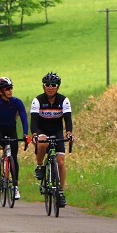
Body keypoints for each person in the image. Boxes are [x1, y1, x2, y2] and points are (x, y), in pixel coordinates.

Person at [31, 72, 74, 208]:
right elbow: (34, 121)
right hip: (42, 130)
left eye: (53, 85)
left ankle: (60, 192)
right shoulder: (37, 100)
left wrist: (69, 133)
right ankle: (39, 166)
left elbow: (68, 119)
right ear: (43, 87)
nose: (50, 87)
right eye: (47, 85)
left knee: (60, 162)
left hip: (56, 132)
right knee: (42, 142)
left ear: (58, 87)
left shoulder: (64, 100)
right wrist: (34, 134)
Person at [0, 77, 29, 200]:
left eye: (11, 88)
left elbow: (23, 118)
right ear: (0, 91)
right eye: (7, 89)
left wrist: (26, 134)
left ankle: (15, 186)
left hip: (11, 130)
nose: (10, 91)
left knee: (14, 159)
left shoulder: (17, 102)